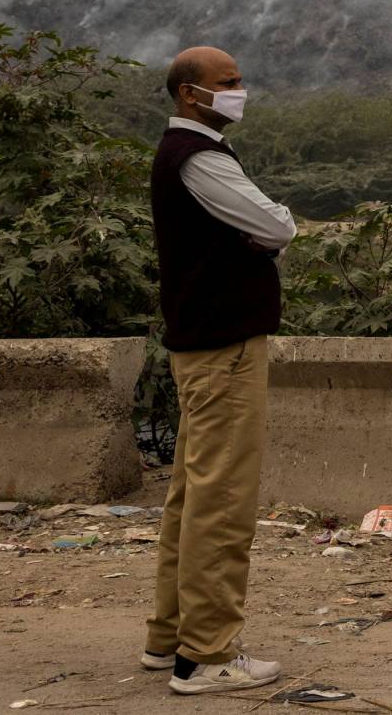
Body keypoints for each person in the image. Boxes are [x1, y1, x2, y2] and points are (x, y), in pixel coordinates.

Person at [143, 46, 295, 695]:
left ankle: (169, 635)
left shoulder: (184, 155)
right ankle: (206, 653)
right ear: (189, 95)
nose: (239, 90)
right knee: (222, 501)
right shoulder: (199, 156)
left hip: (199, 346)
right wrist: (267, 233)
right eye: (227, 83)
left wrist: (256, 234)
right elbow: (276, 223)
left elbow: (255, 229)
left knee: (191, 495)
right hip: (225, 350)